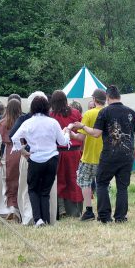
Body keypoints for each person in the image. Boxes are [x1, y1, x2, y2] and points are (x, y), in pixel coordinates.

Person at [73, 85, 135, 223]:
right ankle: (120, 217)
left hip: (109, 154)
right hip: (127, 154)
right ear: (119, 96)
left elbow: (96, 134)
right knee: (122, 187)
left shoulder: (104, 112)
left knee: (102, 183)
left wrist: (82, 127)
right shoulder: (131, 112)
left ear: (108, 97)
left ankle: (105, 217)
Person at [11, 96, 71, 227]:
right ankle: (46, 219)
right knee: (45, 192)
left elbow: (14, 137)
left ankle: (38, 219)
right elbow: (63, 142)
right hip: (52, 159)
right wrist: (67, 132)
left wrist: (23, 152)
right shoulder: (53, 122)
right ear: (47, 107)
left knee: (33, 190)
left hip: (35, 159)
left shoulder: (27, 123)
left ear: (32, 108)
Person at [70, 89, 106, 221]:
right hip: (105, 156)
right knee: (103, 184)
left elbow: (80, 137)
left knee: (84, 181)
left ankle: (89, 210)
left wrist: (71, 134)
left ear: (94, 99)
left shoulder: (88, 114)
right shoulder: (108, 112)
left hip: (89, 155)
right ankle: (104, 210)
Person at [50, 90, 83, 218]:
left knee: (59, 180)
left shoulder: (51, 115)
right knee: (74, 180)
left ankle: (60, 210)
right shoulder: (75, 113)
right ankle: (75, 211)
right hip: (74, 152)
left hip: (58, 153)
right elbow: (82, 133)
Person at [0, 99, 22, 221]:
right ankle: (22, 209)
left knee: (10, 182)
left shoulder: (2, 123)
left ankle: (13, 208)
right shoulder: (23, 121)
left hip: (10, 153)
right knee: (23, 182)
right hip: (23, 152)